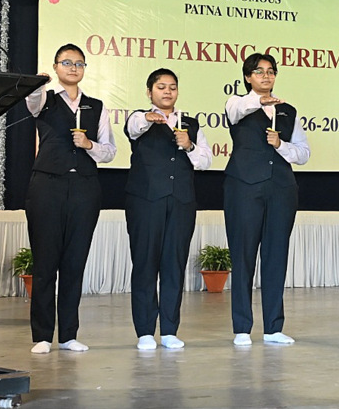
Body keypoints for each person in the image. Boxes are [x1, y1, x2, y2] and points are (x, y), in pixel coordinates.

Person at [24, 43, 117, 354]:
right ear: (57, 65)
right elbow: (32, 104)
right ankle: (41, 336)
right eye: (66, 62)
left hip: (84, 188)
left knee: (75, 262)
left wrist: (89, 144)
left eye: (79, 63)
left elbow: (109, 151)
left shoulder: (97, 106)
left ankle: (68, 334)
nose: (73, 68)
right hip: (47, 186)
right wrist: (39, 82)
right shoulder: (45, 99)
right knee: (46, 261)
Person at [224, 53, 309, 346]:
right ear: (248, 77)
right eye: (258, 72)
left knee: (276, 257)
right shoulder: (237, 103)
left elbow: (303, 153)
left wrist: (281, 145)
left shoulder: (289, 111)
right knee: (243, 255)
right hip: (244, 188)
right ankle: (242, 328)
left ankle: (273, 327)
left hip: (281, 189)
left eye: (270, 71)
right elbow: (238, 111)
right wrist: (260, 101)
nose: (265, 76)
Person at [124, 68, 212, 350]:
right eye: (161, 87)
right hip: (145, 201)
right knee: (145, 263)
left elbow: (205, 161)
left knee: (174, 264)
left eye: (172, 87)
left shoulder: (191, 123)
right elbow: (133, 126)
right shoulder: (140, 118)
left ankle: (170, 330)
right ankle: (145, 331)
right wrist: (149, 118)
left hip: (181, 202)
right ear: (149, 92)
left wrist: (189, 145)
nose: (167, 92)